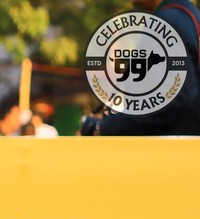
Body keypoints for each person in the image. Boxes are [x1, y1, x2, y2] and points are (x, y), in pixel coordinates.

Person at [84, 0, 200, 135]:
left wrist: (102, 129)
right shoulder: (190, 15)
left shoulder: (168, 22)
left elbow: (169, 104)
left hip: (172, 146)